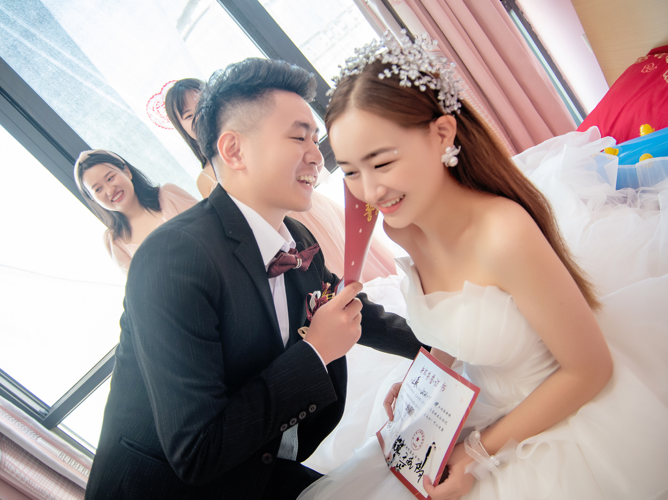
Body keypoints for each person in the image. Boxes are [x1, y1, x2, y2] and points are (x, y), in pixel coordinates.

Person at [297, 33, 668, 500]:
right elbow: (455, 317)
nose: (369, 192)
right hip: (476, 403)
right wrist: (421, 384)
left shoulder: (504, 234)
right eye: (351, 171)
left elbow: (590, 370)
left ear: (442, 134)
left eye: (383, 163)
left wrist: (476, 452)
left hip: (554, 407)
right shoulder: (401, 226)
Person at [83, 58, 425, 500]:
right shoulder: (171, 259)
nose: (315, 154)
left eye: (315, 137)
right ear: (234, 151)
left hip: (262, 463)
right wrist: (317, 351)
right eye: (298, 137)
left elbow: (346, 302)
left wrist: (435, 347)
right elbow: (197, 451)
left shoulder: (294, 235)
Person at [165, 77, 397, 281]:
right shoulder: (205, 178)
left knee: (354, 259)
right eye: (189, 116)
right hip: (281, 229)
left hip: (309, 207)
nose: (199, 117)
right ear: (181, 126)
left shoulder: (255, 134)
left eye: (202, 106)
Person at [74, 149, 197, 273]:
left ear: (127, 172)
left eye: (110, 178)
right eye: (98, 189)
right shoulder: (114, 241)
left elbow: (208, 226)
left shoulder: (169, 194)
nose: (110, 190)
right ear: (93, 199)